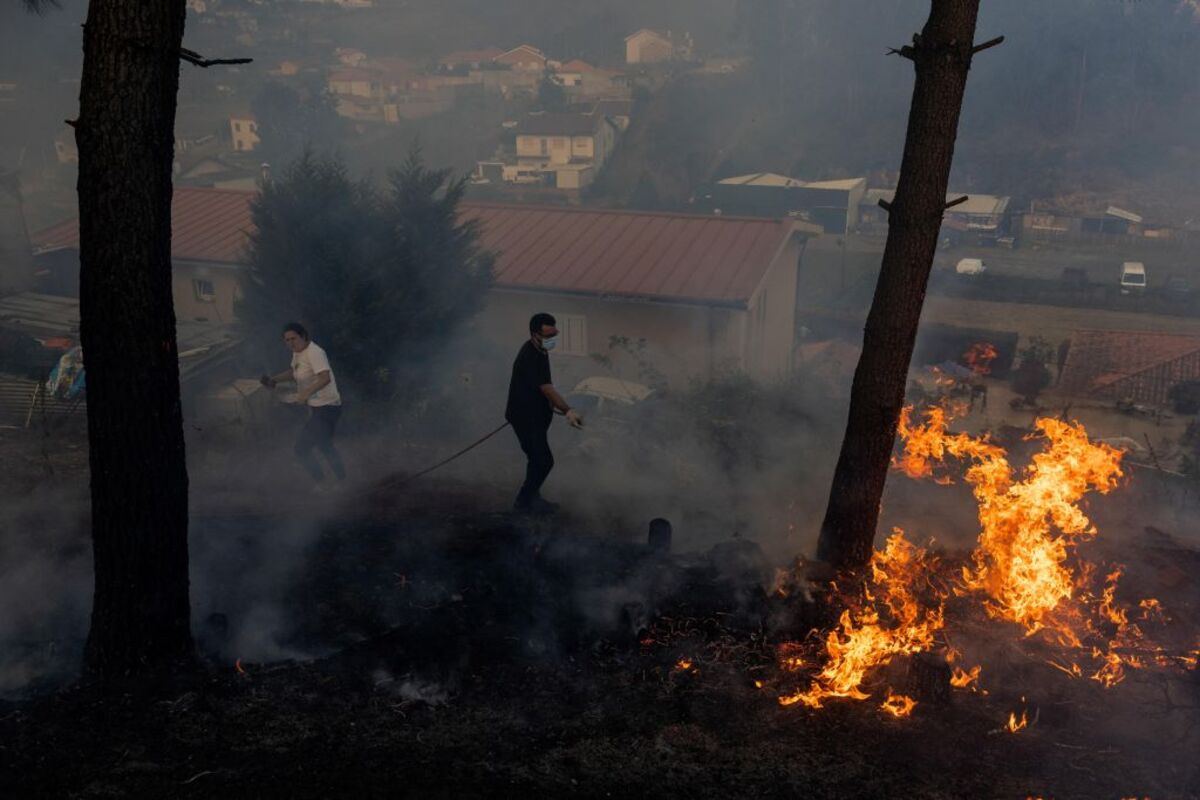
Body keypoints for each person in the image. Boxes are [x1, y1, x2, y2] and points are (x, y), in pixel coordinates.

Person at [505, 312, 582, 513]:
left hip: (534, 417)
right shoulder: (530, 354)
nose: (551, 340)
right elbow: (546, 388)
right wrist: (568, 410)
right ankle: (523, 503)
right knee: (544, 460)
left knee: (536, 459)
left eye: (553, 336)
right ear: (534, 334)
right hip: (525, 418)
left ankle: (533, 499)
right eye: (547, 337)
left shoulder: (541, 351)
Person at [261, 322, 346, 489]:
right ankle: (341, 480)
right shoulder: (298, 353)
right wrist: (274, 380)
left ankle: (324, 483)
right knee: (324, 445)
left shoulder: (315, 352)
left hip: (328, 407)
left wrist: (305, 393)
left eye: (294, 338)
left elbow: (325, 377)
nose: (291, 343)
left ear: (304, 336)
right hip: (318, 408)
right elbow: (295, 372)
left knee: (301, 449)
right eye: (287, 340)